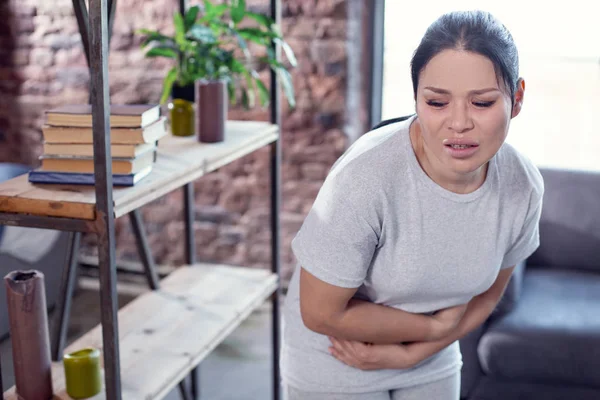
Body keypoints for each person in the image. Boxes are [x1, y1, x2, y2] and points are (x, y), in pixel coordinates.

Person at [280, 9, 544, 400]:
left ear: (517, 98)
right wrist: (432, 329)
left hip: (431, 358)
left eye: (482, 103)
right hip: (338, 356)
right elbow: (320, 313)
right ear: (417, 98)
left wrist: (417, 352)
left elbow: (489, 294)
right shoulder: (364, 179)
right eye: (437, 102)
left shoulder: (522, 186)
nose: (458, 123)